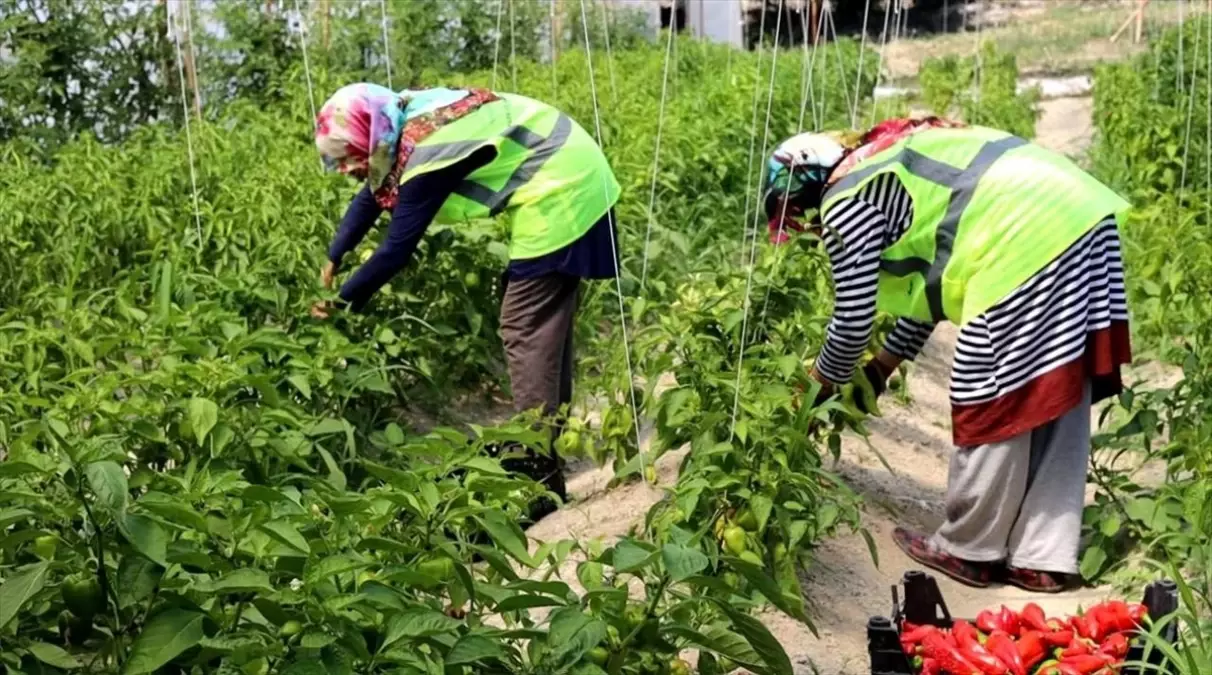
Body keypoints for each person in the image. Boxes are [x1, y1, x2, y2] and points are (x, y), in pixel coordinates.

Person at [763, 116, 1133, 593]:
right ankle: (1043, 557)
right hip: (1078, 218)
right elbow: (929, 299)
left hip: (1024, 230)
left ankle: (969, 549)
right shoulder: (881, 162)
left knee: (987, 385)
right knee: (1054, 384)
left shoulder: (845, 200)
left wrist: (816, 391)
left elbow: (852, 320)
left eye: (798, 214)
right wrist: (880, 370)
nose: (809, 227)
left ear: (805, 193)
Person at [312, 83, 621, 522]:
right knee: (540, 325)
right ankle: (546, 457)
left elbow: (396, 249)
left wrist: (339, 305)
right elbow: (373, 196)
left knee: (524, 325)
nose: (344, 168)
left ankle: (536, 475)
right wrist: (334, 255)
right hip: (571, 175)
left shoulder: (428, 152)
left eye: (348, 156)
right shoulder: (402, 124)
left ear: (371, 136)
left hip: (561, 190)